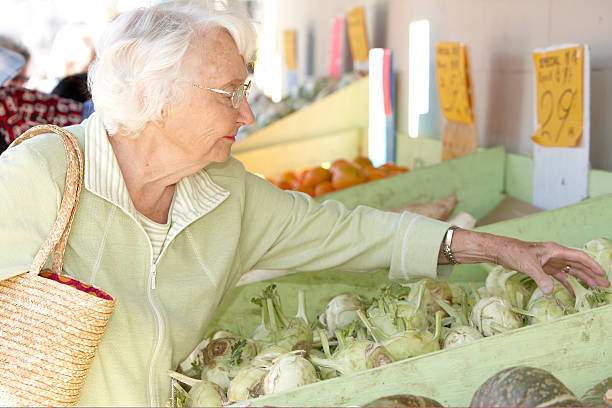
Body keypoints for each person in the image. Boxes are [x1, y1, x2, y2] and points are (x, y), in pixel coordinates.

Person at [0, 2, 607, 406]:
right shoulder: (40, 178)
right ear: (155, 96)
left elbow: (350, 232)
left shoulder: (226, 196)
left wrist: (499, 246)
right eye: (229, 93)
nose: (248, 114)